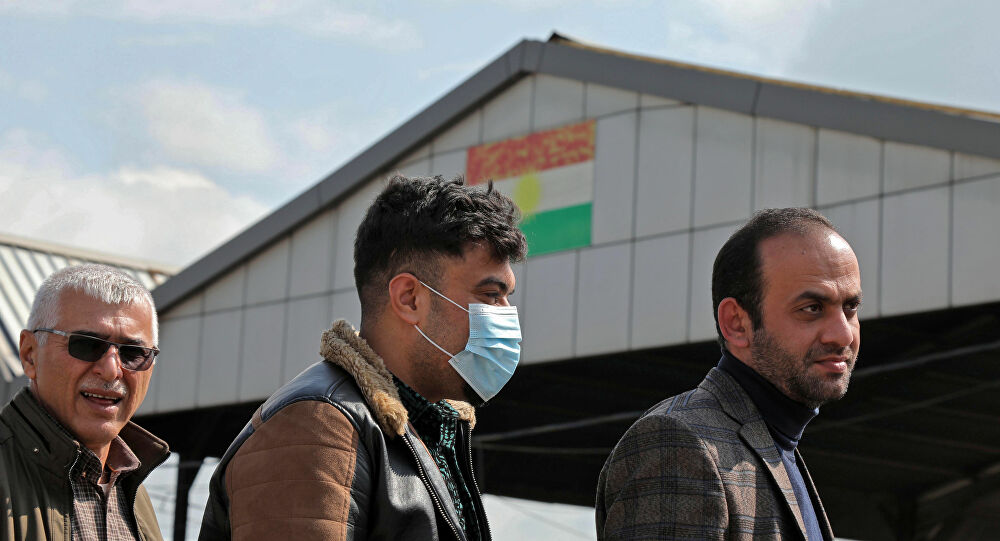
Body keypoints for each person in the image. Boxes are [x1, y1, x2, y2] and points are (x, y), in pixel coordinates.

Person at [199, 174, 527, 541]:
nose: (506, 314)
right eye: (490, 295)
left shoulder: (431, 431)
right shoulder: (317, 427)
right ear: (409, 299)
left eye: (506, 297)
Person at [596, 208, 861, 540]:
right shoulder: (677, 444)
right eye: (812, 308)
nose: (843, 334)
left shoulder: (778, 445)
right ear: (736, 323)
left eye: (850, 308)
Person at [1, 264, 169, 541]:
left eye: (133, 353)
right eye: (87, 344)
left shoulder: (133, 493)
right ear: (30, 354)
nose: (112, 370)